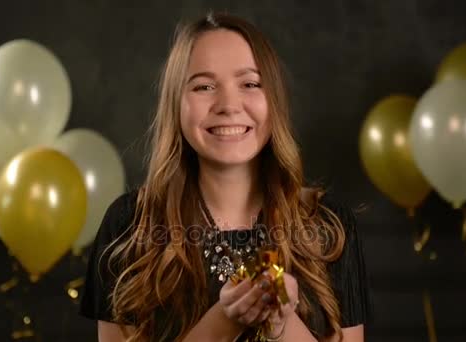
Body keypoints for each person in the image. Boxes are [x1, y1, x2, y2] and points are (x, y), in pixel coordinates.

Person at [80, 12, 371, 342]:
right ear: (176, 103)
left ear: (274, 98)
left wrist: (281, 325)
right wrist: (225, 320)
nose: (229, 105)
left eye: (249, 83)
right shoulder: (129, 224)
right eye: (204, 86)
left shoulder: (329, 226)